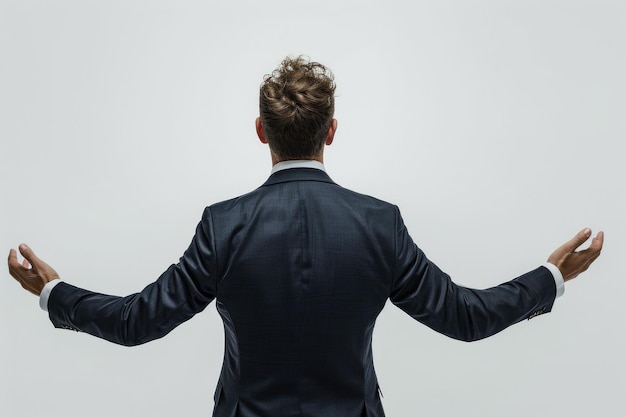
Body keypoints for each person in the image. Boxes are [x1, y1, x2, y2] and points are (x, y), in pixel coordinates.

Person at [8, 56, 604, 417]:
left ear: (260, 130)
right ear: (333, 131)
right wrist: (551, 277)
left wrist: (54, 292)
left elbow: (138, 321)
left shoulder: (224, 226)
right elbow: (466, 317)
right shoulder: (379, 225)